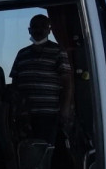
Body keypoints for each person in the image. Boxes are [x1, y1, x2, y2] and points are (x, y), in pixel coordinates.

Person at [9, 14, 74, 147]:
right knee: (26, 150)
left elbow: (67, 82)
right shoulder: (22, 53)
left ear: (49, 30)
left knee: (45, 150)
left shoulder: (58, 51)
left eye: (43, 26)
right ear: (29, 30)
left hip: (49, 114)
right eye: (35, 27)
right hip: (25, 115)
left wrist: (65, 110)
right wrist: (16, 109)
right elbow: (15, 82)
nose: (38, 30)